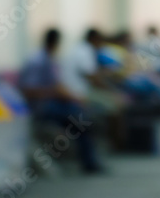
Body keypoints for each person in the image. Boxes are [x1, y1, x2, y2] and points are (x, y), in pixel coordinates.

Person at [18, 29, 106, 174]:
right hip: (40, 107)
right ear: (56, 43)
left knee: (84, 114)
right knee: (81, 119)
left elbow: (57, 86)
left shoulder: (47, 59)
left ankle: (88, 160)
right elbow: (28, 91)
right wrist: (55, 93)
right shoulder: (38, 61)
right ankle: (89, 162)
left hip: (51, 103)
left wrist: (70, 97)